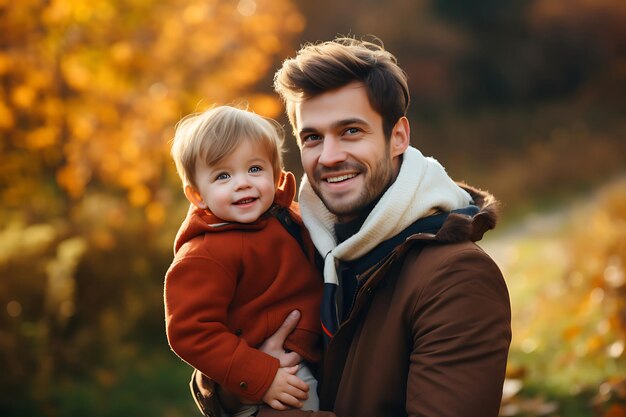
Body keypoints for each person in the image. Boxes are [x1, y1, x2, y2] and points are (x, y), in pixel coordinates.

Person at [192, 38, 512, 417]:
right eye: (313, 137)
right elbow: (216, 354)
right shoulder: (295, 241)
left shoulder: (456, 278)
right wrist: (245, 383)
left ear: (398, 137)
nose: (329, 157)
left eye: (351, 131)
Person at [164, 106, 324, 416]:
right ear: (197, 195)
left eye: (254, 169)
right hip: (274, 375)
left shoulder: (286, 216)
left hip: (309, 353)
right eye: (223, 175)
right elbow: (191, 331)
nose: (242, 183)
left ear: (276, 176)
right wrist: (260, 377)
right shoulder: (206, 254)